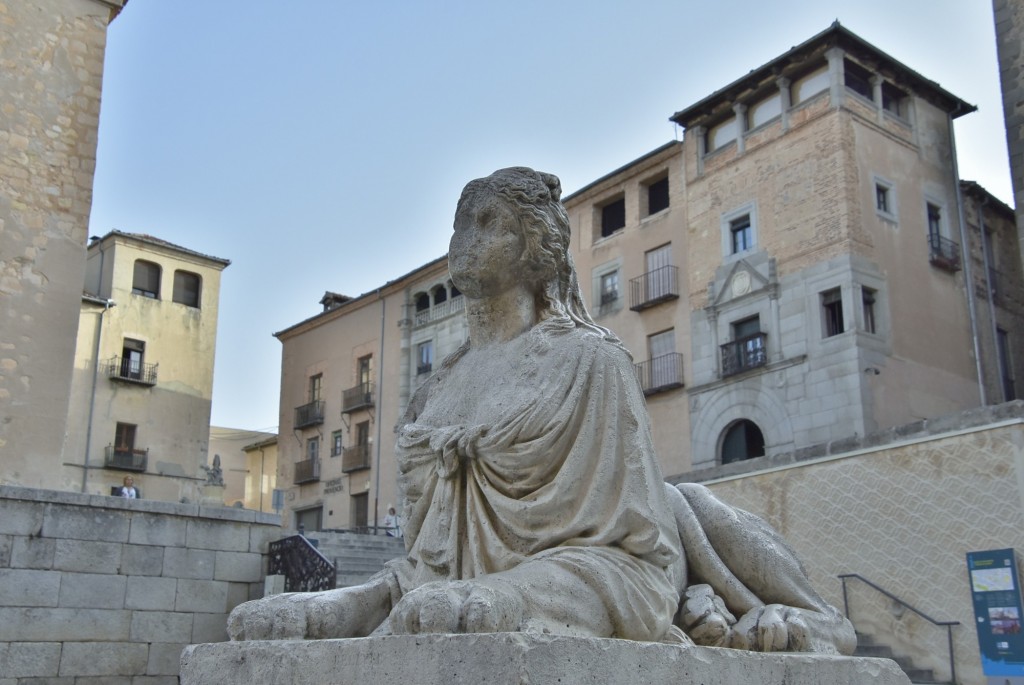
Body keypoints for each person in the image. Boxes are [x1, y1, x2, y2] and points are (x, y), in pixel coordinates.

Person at [227, 167, 853, 653]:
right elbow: (424, 569)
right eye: (460, 223)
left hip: (606, 566)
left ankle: (821, 621)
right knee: (426, 600)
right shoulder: (433, 393)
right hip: (467, 588)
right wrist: (350, 606)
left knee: (698, 507)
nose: (464, 241)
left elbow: (635, 558)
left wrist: (508, 594)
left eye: (488, 223)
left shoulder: (591, 361)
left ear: (536, 248)